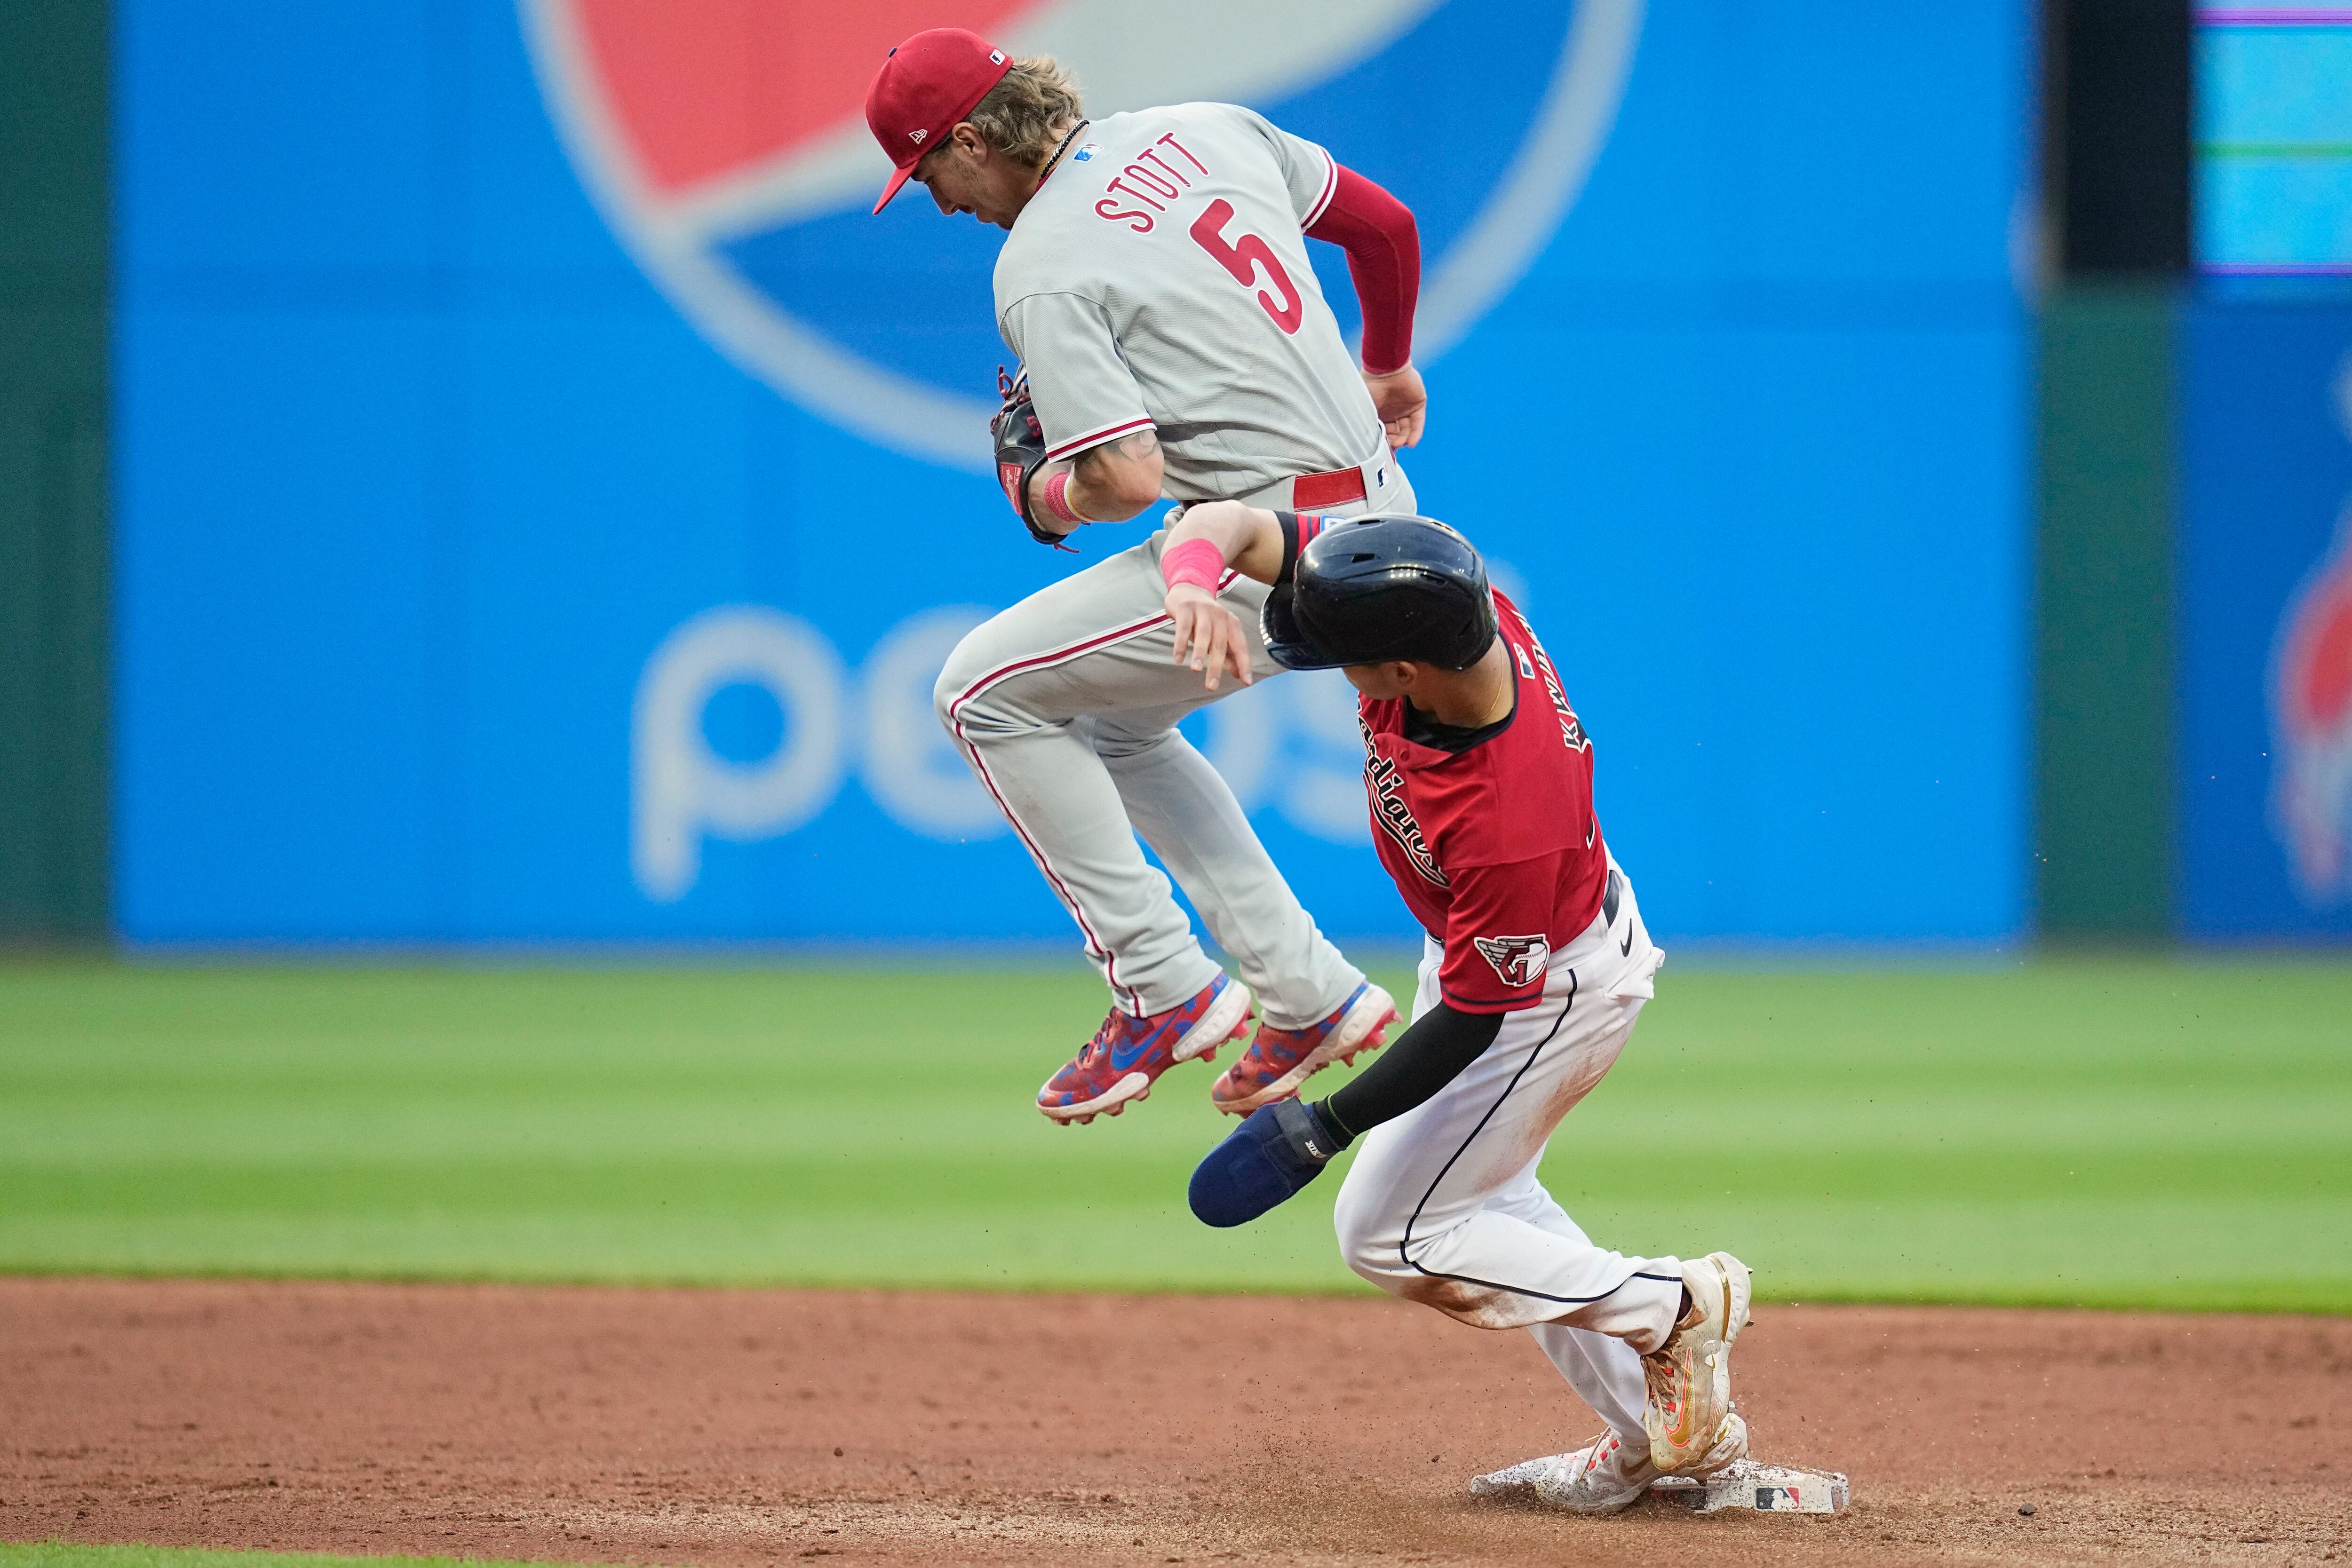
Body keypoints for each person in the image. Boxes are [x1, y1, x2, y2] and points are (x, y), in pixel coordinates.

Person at [864, 29, 1429, 1124]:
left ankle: (1160, 987)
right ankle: (1306, 992)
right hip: (1371, 511)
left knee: (978, 693)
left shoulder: (1039, 263)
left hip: (1265, 552)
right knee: (1116, 724)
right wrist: (1388, 357)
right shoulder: (1205, 127)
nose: (937, 202)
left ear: (975, 140)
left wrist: (1041, 495)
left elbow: (1124, 478)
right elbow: (1384, 227)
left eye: (929, 170)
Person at [1162, 501, 1753, 1515]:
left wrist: (1321, 1129)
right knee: (1489, 1207)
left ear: (1404, 672)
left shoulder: (1507, 810)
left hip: (1544, 996)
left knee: (1388, 1231)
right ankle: (1669, 1447)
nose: (1326, 667)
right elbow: (1232, 525)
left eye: (1342, 656)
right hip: (1500, 949)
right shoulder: (1447, 612)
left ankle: (1674, 1304)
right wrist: (1189, 576)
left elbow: (1479, 1018)